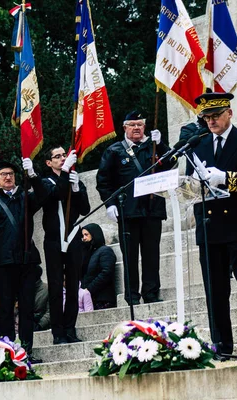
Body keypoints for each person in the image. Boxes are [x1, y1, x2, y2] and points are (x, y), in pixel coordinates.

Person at [183, 91, 237, 356]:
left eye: (216, 116)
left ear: (229, 113)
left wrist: (226, 178)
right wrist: (191, 188)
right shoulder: (197, 144)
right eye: (206, 117)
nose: (211, 121)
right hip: (209, 227)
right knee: (215, 291)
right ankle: (222, 346)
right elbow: (190, 186)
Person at [0, 159, 46, 362]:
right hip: (3, 265)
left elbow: (43, 196)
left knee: (26, 308)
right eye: (4, 174)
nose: (8, 177)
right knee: (6, 310)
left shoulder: (24, 198)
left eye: (12, 174)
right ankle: (7, 352)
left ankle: (26, 351)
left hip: (26, 262)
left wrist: (33, 175)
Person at [96, 111, 170, 305]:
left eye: (140, 124)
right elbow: (104, 182)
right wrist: (110, 204)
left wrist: (161, 145)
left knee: (151, 254)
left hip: (152, 209)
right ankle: (132, 296)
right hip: (127, 211)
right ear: (125, 128)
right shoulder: (114, 151)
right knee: (129, 256)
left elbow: (170, 164)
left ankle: (151, 292)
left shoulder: (153, 147)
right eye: (132, 124)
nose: (137, 128)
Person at [41, 146, 90, 344]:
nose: (62, 159)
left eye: (64, 156)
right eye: (57, 156)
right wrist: (66, 175)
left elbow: (85, 209)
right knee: (55, 288)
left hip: (72, 237)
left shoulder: (73, 179)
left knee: (72, 286)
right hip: (54, 241)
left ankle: (70, 329)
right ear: (49, 162)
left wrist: (77, 189)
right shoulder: (45, 182)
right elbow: (54, 195)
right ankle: (58, 332)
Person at [80, 223, 117, 310]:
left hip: (103, 299)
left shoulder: (105, 251)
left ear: (94, 234)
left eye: (86, 235)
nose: (84, 238)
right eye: (82, 236)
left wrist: (89, 289)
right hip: (89, 299)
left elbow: (106, 273)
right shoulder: (87, 254)